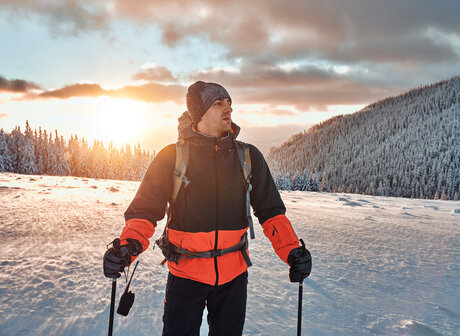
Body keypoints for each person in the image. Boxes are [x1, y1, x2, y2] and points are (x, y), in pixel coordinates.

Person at [103, 81, 312, 335]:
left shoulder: (248, 156)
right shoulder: (171, 157)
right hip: (184, 278)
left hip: (234, 280)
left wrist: (292, 251)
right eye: (218, 103)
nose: (229, 109)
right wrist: (128, 248)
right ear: (200, 112)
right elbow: (145, 212)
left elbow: (272, 213)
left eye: (229, 103)